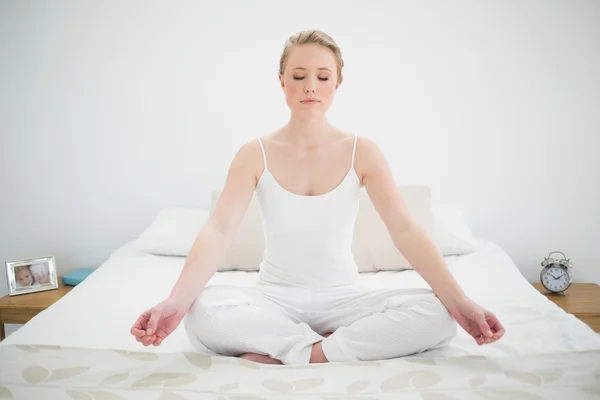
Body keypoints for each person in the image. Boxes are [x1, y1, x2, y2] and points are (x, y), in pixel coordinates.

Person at [131, 30, 505, 365]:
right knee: (203, 311)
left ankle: (301, 353)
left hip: (345, 299)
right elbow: (219, 229)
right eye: (299, 76)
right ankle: (326, 350)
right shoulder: (254, 153)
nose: (311, 86)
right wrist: (174, 302)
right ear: (282, 82)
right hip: (274, 300)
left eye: (322, 77)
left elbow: (404, 228)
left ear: (337, 83)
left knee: (439, 315)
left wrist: (460, 301)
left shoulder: (363, 151)